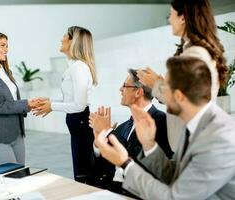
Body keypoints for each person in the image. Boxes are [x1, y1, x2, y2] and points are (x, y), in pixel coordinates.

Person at [95, 56, 235, 200]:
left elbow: (175, 198)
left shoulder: (219, 140)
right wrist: (150, 145)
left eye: (163, 87)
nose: (157, 93)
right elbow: (175, 175)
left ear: (179, 96)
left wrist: (125, 164)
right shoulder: (195, 126)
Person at [89, 69, 173, 197]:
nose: (120, 89)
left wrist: (108, 132)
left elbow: (143, 163)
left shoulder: (162, 122)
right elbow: (103, 168)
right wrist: (98, 145)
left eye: (124, 86)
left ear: (138, 92)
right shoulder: (122, 127)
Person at [33, 26, 97, 183]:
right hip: (78, 124)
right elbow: (72, 100)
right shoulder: (74, 67)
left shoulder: (78, 68)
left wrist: (52, 106)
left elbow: (79, 105)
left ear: (73, 41)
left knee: (83, 174)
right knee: (82, 171)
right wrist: (50, 102)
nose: (61, 38)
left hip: (81, 123)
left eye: (64, 36)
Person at [137, 0, 228, 102]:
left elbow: (187, 103)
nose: (169, 20)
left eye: (171, 14)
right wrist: (161, 83)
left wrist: (155, 84)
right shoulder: (191, 51)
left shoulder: (195, 54)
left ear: (183, 18)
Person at [0, 31, 39, 165]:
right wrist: (26, 104)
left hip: (17, 132)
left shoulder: (6, 71)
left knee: (20, 173)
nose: (6, 49)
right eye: (3, 45)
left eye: (7, 46)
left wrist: (29, 104)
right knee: (11, 177)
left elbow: (13, 99)